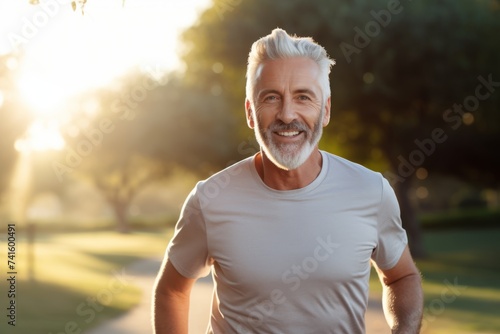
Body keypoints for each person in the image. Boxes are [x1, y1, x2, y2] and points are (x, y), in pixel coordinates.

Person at [152, 28, 423, 334]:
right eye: (271, 98)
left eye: (303, 97)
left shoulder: (371, 191)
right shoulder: (210, 199)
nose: (287, 114)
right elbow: (172, 291)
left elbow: (402, 277)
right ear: (251, 113)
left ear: (326, 110)